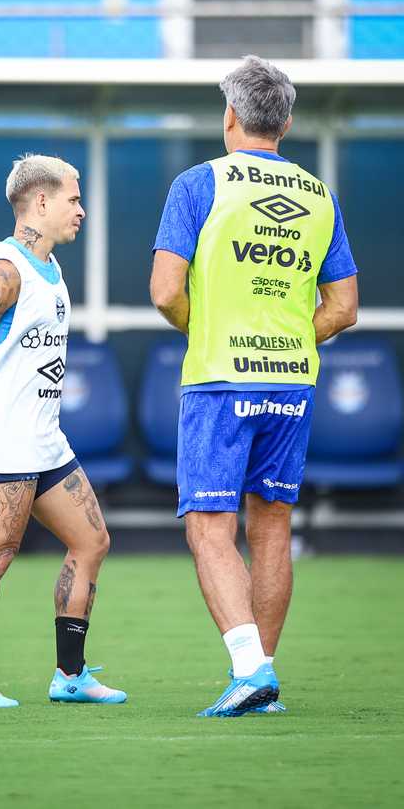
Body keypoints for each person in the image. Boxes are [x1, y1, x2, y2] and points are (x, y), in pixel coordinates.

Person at [150, 56, 358, 717]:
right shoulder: (319, 195)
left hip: (219, 378)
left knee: (210, 527)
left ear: (230, 116)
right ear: (287, 122)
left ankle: (249, 669)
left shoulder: (197, 184)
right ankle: (260, 680)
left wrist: (203, 327)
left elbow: (164, 292)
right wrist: (295, 335)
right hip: (293, 381)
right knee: (271, 529)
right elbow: (345, 306)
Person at [0, 154, 126, 708]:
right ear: (40, 202)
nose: (81, 210)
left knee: (92, 541)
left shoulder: (50, 267)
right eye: (73, 198)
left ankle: (70, 676)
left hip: (44, 440)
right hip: (2, 441)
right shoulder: (3, 270)